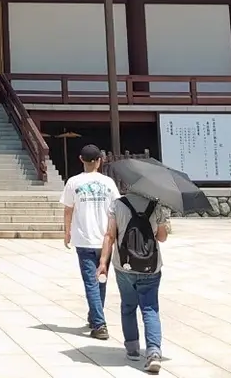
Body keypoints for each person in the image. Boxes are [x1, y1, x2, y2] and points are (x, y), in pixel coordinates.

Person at [98, 192, 170, 374]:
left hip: (125, 266)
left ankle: (132, 349)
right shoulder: (156, 206)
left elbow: (109, 236)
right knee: (150, 308)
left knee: (128, 306)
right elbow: (162, 237)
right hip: (151, 267)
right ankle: (153, 352)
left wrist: (102, 263)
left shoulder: (117, 205)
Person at [60, 143, 120, 341]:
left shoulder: (73, 182)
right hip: (105, 239)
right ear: (99, 160)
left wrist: (67, 231)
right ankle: (95, 316)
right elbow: (117, 209)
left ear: (81, 160)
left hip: (84, 237)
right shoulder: (109, 183)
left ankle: (99, 324)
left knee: (91, 282)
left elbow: (68, 209)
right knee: (100, 279)